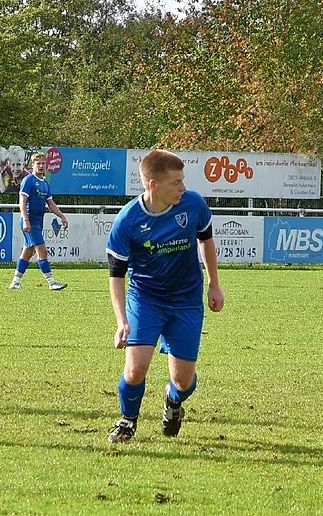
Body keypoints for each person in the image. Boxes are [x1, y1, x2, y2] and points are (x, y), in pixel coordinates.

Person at [105, 149, 225, 443]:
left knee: (183, 381)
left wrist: (214, 283)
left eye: (183, 180)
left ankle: (173, 403)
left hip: (186, 301)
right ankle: (127, 420)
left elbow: (206, 239)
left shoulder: (193, 204)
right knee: (135, 369)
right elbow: (116, 276)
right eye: (176, 182)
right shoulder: (127, 221)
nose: (183, 188)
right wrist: (121, 321)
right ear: (153, 185)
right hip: (146, 299)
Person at [9, 152, 68, 291]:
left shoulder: (45, 184)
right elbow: (22, 201)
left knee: (28, 252)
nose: (41, 166)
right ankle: (51, 282)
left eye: (43, 164)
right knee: (42, 250)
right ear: (33, 165)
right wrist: (25, 220)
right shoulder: (29, 180)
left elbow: (51, 203)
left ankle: (15, 282)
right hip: (30, 221)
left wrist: (62, 216)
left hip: (38, 222)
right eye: (38, 164)